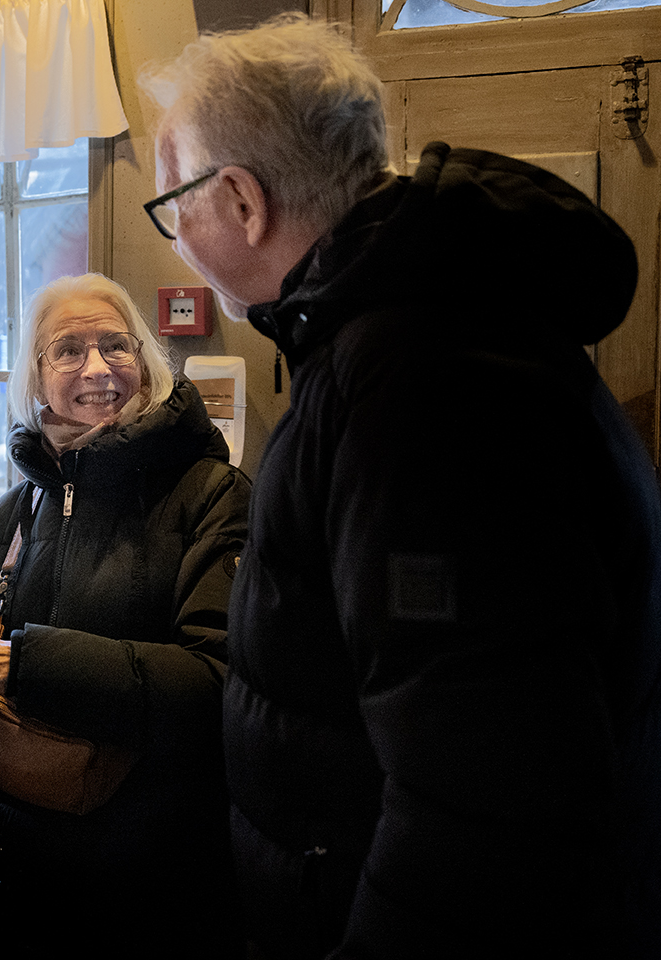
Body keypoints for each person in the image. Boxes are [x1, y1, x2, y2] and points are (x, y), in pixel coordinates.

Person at [141, 14, 661, 959]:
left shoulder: (419, 378)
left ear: (243, 201)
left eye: (172, 204)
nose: (175, 239)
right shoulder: (401, 332)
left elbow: (487, 799)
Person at [0, 273, 250, 950]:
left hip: (160, 870)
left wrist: (27, 664)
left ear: (146, 363)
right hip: (29, 859)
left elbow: (221, 683)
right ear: (35, 374)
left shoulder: (211, 495)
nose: (97, 369)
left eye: (116, 346)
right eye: (69, 350)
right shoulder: (14, 513)